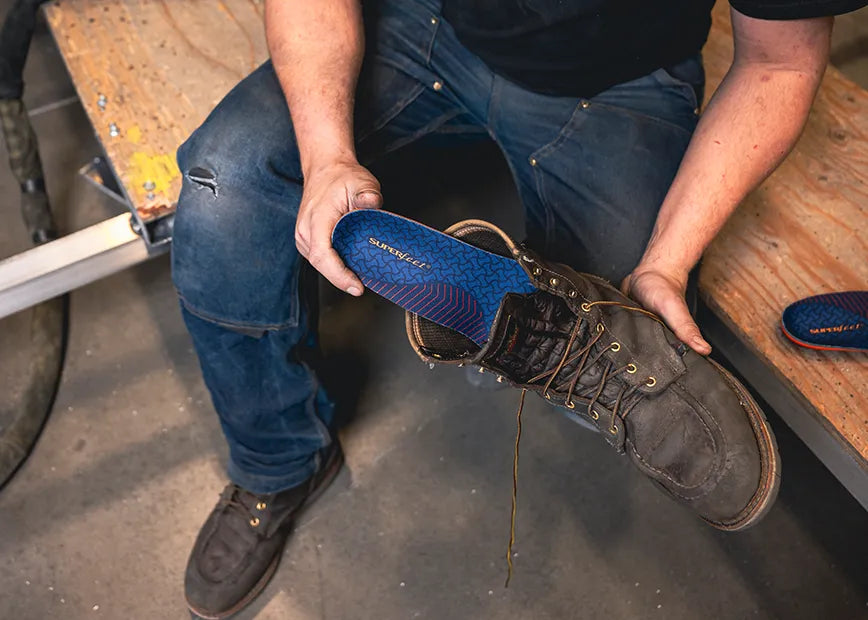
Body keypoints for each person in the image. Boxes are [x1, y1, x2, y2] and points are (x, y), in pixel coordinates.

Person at [171, 0, 866, 617]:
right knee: (223, 187)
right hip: (420, 22)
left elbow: (780, 63)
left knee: (618, 323)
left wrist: (666, 261)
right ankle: (279, 465)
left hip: (619, 78)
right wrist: (326, 155)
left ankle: (540, 319)